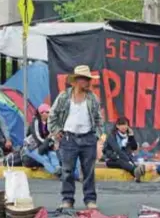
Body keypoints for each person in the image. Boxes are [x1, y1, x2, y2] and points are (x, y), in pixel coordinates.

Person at [48, 65, 103, 210]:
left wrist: (97, 136)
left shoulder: (92, 98)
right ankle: (67, 199)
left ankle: (90, 200)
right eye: (84, 79)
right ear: (76, 81)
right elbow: (52, 115)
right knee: (67, 171)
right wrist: (55, 131)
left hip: (88, 139)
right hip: (68, 139)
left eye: (88, 79)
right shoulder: (64, 96)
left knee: (89, 172)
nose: (87, 82)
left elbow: (98, 119)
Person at [103, 117, 145, 182]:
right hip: (113, 159)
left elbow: (134, 147)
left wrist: (131, 136)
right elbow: (117, 150)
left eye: (125, 124)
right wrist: (128, 160)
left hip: (126, 159)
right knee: (121, 162)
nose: (123, 126)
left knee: (126, 163)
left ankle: (136, 175)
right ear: (117, 126)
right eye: (121, 124)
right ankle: (135, 171)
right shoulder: (112, 136)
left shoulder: (128, 136)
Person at [24, 104, 62, 177]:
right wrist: (49, 142)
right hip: (32, 146)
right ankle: (56, 173)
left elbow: (54, 135)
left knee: (53, 154)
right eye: (47, 112)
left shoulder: (50, 122)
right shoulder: (35, 122)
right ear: (42, 113)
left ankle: (58, 169)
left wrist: (52, 144)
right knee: (45, 159)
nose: (49, 114)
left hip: (44, 145)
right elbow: (37, 138)